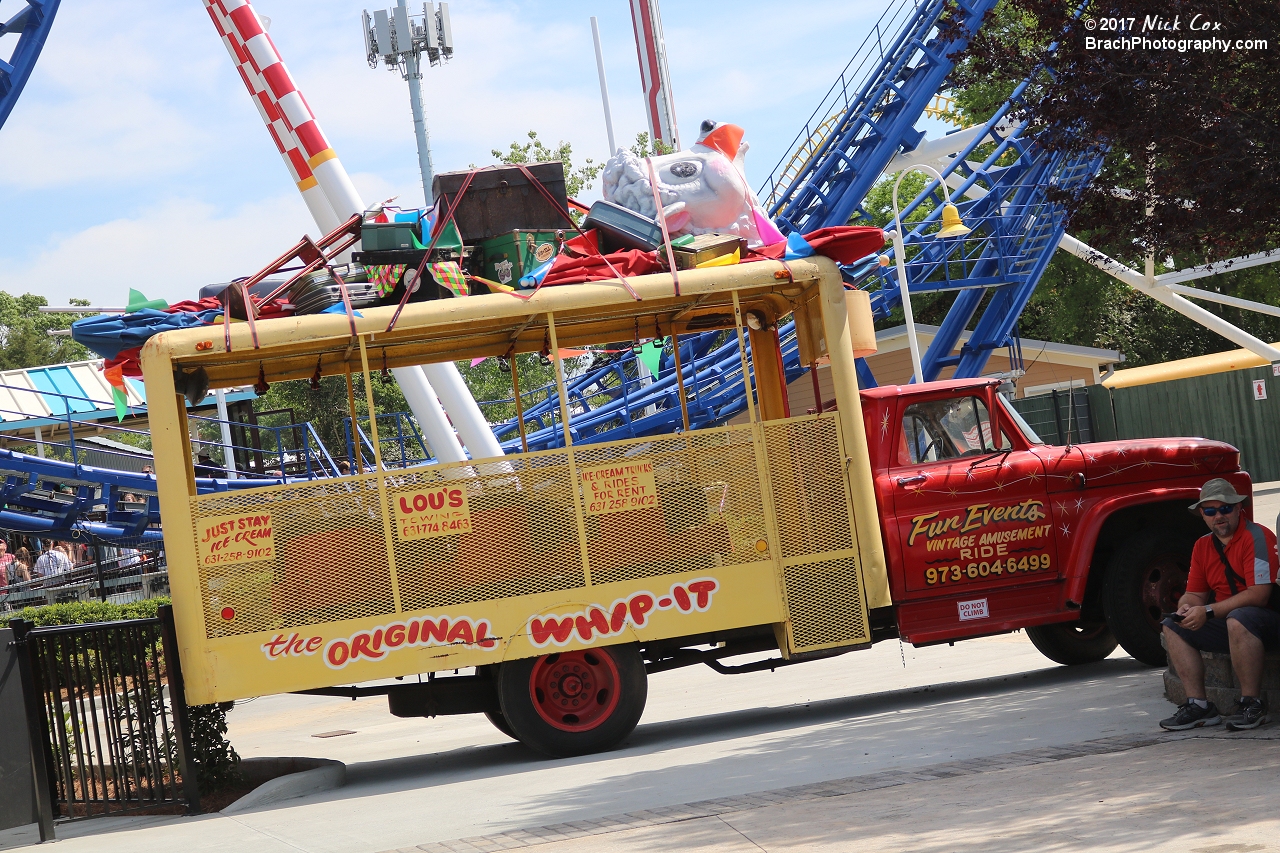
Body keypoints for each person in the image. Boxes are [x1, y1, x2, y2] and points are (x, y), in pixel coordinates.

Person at [1160, 478, 1280, 731]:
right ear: (1202, 515)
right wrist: (1186, 607)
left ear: (1238, 509)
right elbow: (1194, 593)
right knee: (1172, 624)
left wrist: (1208, 611)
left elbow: (1259, 595)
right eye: (1210, 511)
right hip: (1231, 621)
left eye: (1225, 508)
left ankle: (1252, 704)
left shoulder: (1258, 537)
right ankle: (1198, 706)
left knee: (1238, 618)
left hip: (1266, 622)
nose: (1219, 516)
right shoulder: (1202, 545)